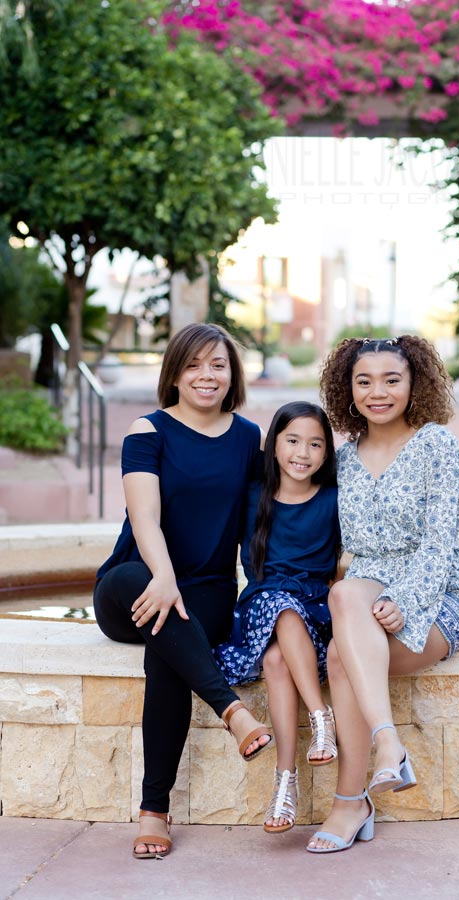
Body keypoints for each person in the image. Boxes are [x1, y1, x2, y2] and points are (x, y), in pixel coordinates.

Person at [93, 323, 273, 860]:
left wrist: (266, 597)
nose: (206, 375)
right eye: (194, 364)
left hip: (208, 592)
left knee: (169, 646)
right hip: (136, 584)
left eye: (218, 364)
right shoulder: (147, 431)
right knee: (150, 598)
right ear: (174, 373)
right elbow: (143, 514)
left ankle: (154, 812)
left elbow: (251, 528)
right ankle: (233, 712)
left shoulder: (247, 438)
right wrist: (164, 576)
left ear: (232, 374)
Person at [305, 336, 459, 853]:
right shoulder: (343, 458)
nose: (376, 392)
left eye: (391, 380)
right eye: (364, 381)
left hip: (439, 591)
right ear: (348, 389)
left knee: (340, 656)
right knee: (343, 600)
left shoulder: (437, 445)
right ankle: (387, 744)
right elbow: (330, 542)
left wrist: (405, 599)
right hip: (365, 593)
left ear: (414, 384)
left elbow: (440, 539)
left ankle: (350, 801)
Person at [215, 401, 340, 834]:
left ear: (327, 454)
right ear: (273, 446)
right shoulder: (254, 497)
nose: (302, 453)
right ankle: (320, 717)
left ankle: (285, 782)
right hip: (261, 612)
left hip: (314, 619)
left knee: (275, 660)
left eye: (315, 444)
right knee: (277, 608)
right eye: (292, 441)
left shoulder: (332, 501)